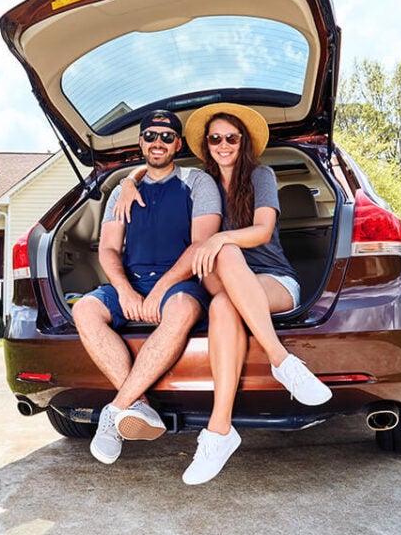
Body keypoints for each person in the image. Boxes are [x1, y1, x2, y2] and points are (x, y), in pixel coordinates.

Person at [115, 103, 332, 485]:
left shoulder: (261, 175)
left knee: (224, 283)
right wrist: (128, 181)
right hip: (223, 281)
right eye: (215, 138)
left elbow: (263, 231)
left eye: (231, 137)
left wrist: (218, 239)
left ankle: (238, 407)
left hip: (273, 281)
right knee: (222, 282)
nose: (223, 144)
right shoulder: (202, 183)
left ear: (243, 141)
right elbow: (156, 169)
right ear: (206, 144)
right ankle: (242, 405)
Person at [72, 109, 222, 465]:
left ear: (178, 143)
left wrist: (160, 290)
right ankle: (139, 406)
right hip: (132, 284)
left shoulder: (197, 182)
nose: (158, 142)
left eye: (167, 136)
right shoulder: (123, 192)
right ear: (141, 141)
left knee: (182, 309)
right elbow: (108, 249)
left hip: (180, 284)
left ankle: (114, 413)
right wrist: (124, 289)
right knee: (84, 309)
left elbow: (201, 245)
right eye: (151, 136)